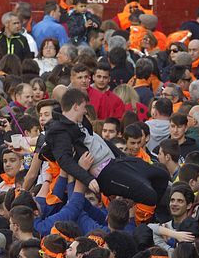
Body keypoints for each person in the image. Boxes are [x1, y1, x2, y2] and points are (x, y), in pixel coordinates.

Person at [45, 88, 169, 223]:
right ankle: (147, 224)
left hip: (116, 161)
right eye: (84, 107)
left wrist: (124, 158)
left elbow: (100, 140)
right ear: (75, 107)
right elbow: (64, 160)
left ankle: (155, 216)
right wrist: (87, 179)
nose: (86, 111)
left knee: (161, 175)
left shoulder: (77, 121)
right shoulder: (59, 131)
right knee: (149, 195)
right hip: (105, 172)